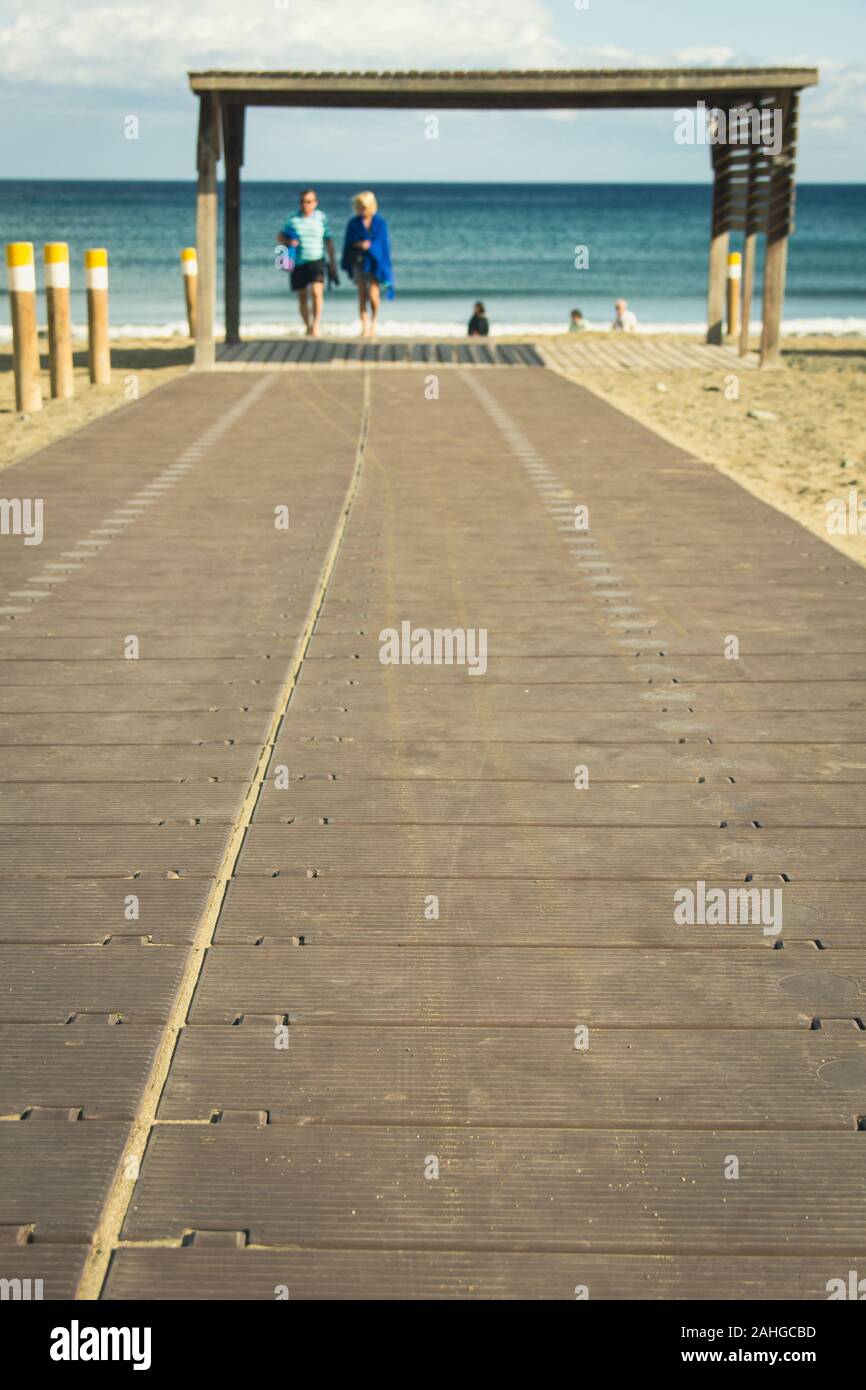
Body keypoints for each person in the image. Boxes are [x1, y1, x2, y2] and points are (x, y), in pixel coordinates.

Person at [277, 189, 339, 338]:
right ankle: (307, 325)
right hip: (298, 262)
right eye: (302, 201)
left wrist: (333, 261)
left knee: (317, 293)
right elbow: (280, 236)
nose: (305, 204)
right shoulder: (292, 219)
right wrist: (288, 242)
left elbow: (329, 241)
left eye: (309, 201)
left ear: (315, 203)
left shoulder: (321, 218)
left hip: (317, 260)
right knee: (302, 296)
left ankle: (316, 325)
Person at [341, 191, 394, 339]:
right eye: (359, 206)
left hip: (375, 263)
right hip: (359, 262)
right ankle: (365, 327)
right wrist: (360, 244)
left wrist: (371, 247)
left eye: (363, 206)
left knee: (373, 294)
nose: (361, 209)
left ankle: (374, 323)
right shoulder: (353, 223)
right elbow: (348, 244)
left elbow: (383, 245)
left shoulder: (380, 223)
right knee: (362, 294)